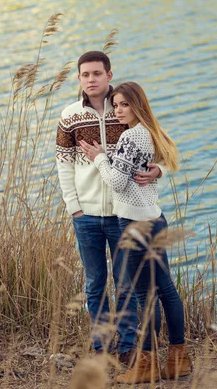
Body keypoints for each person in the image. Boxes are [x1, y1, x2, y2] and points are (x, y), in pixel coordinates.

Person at [80, 81, 192, 383]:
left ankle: (146, 365)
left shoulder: (132, 134)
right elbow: (167, 158)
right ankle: (178, 359)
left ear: (137, 105)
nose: (118, 110)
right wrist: (160, 170)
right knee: (166, 291)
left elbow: (116, 182)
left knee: (146, 296)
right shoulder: (150, 131)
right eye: (115, 105)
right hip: (154, 219)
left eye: (124, 105)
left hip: (134, 225)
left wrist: (99, 157)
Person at [55, 52, 163, 364]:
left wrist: (159, 171)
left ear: (108, 74)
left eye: (96, 74)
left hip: (122, 213)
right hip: (86, 215)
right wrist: (74, 207)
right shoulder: (70, 116)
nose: (91, 79)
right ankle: (101, 346)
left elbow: (154, 148)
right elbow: (63, 165)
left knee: (126, 281)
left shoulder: (125, 110)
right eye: (85, 75)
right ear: (78, 79)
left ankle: (128, 346)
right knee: (94, 283)